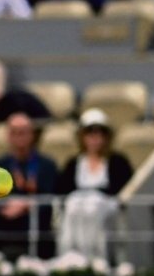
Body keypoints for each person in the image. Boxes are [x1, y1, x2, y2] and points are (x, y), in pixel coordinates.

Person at [0, 112, 58, 256]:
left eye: (23, 133)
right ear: (8, 136)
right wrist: (5, 205)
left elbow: (50, 197)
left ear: (32, 135)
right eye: (14, 133)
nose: (19, 137)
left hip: (34, 217)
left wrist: (26, 205)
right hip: (4, 217)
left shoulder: (47, 165)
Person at [56, 108, 132, 261]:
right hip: (77, 207)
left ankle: (98, 259)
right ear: (82, 137)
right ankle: (71, 258)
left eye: (99, 133)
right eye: (90, 133)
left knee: (93, 207)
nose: (95, 138)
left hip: (105, 207)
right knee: (73, 205)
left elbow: (123, 190)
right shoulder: (73, 163)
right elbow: (63, 190)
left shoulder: (118, 162)